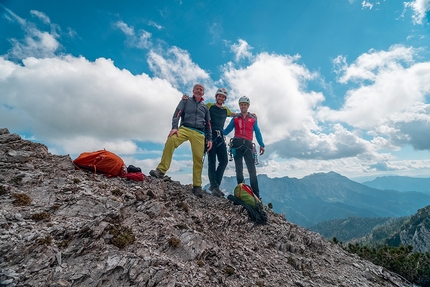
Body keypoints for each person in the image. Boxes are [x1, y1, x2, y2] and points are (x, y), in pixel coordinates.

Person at [150, 84, 213, 198]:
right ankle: (161, 170)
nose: (199, 91)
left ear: (203, 93)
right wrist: (175, 127)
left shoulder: (205, 108)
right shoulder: (185, 101)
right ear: (193, 91)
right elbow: (177, 114)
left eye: (201, 90)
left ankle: (197, 185)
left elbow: (208, 124)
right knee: (171, 140)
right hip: (184, 128)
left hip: (199, 133)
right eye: (197, 89)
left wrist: (210, 139)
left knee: (199, 158)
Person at [182, 88, 235, 197]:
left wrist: (248, 114)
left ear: (225, 99)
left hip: (220, 137)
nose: (220, 98)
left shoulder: (226, 110)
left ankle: (215, 185)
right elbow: (198, 105)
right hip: (210, 136)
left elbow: (234, 114)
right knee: (212, 161)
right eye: (219, 96)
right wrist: (186, 100)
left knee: (224, 161)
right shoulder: (209, 105)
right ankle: (215, 187)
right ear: (216, 97)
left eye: (223, 96)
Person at [223, 96, 265, 199]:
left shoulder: (253, 119)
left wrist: (262, 144)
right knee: (239, 169)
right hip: (237, 144)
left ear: (248, 106)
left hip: (248, 145)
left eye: (245, 104)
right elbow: (227, 130)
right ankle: (242, 192)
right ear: (239, 106)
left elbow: (258, 132)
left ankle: (256, 195)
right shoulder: (236, 118)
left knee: (252, 170)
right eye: (241, 104)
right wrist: (219, 132)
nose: (243, 106)